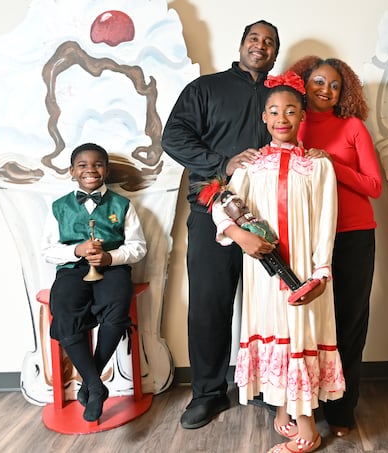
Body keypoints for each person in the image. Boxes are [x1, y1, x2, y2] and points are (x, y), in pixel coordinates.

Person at [207, 71, 345, 453]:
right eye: (273, 111)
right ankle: (282, 409)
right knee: (274, 330)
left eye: (290, 110)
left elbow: (325, 222)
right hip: (263, 272)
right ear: (264, 119)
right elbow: (221, 203)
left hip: (304, 270)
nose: (281, 117)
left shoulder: (319, 166)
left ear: (302, 116)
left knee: (300, 332)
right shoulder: (251, 166)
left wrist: (319, 273)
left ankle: (309, 428)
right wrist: (240, 236)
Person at [160, 20, 280, 429]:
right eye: (254, 39)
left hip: (269, 221)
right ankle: (208, 393)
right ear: (242, 44)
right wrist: (220, 164)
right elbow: (172, 137)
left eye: (269, 42)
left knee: (269, 306)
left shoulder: (282, 95)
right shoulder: (205, 89)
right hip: (213, 213)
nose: (260, 46)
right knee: (210, 306)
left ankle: (267, 387)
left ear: (275, 53)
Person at [288, 56, 383, 436]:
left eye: (334, 85)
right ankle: (304, 407)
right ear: (303, 83)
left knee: (349, 322)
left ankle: (342, 410)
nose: (325, 90)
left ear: (344, 92)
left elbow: (373, 186)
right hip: (307, 238)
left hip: (354, 235)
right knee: (306, 326)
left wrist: (329, 163)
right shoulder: (291, 121)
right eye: (318, 82)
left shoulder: (353, 127)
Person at [41, 142, 147, 421]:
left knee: (116, 304)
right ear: (72, 171)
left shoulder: (123, 204)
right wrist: (76, 251)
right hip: (72, 269)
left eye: (98, 164)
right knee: (63, 307)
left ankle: (90, 382)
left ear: (107, 170)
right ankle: (97, 386)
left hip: (111, 268)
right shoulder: (58, 207)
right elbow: (47, 250)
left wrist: (110, 258)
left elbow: (138, 246)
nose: (91, 170)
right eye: (83, 165)